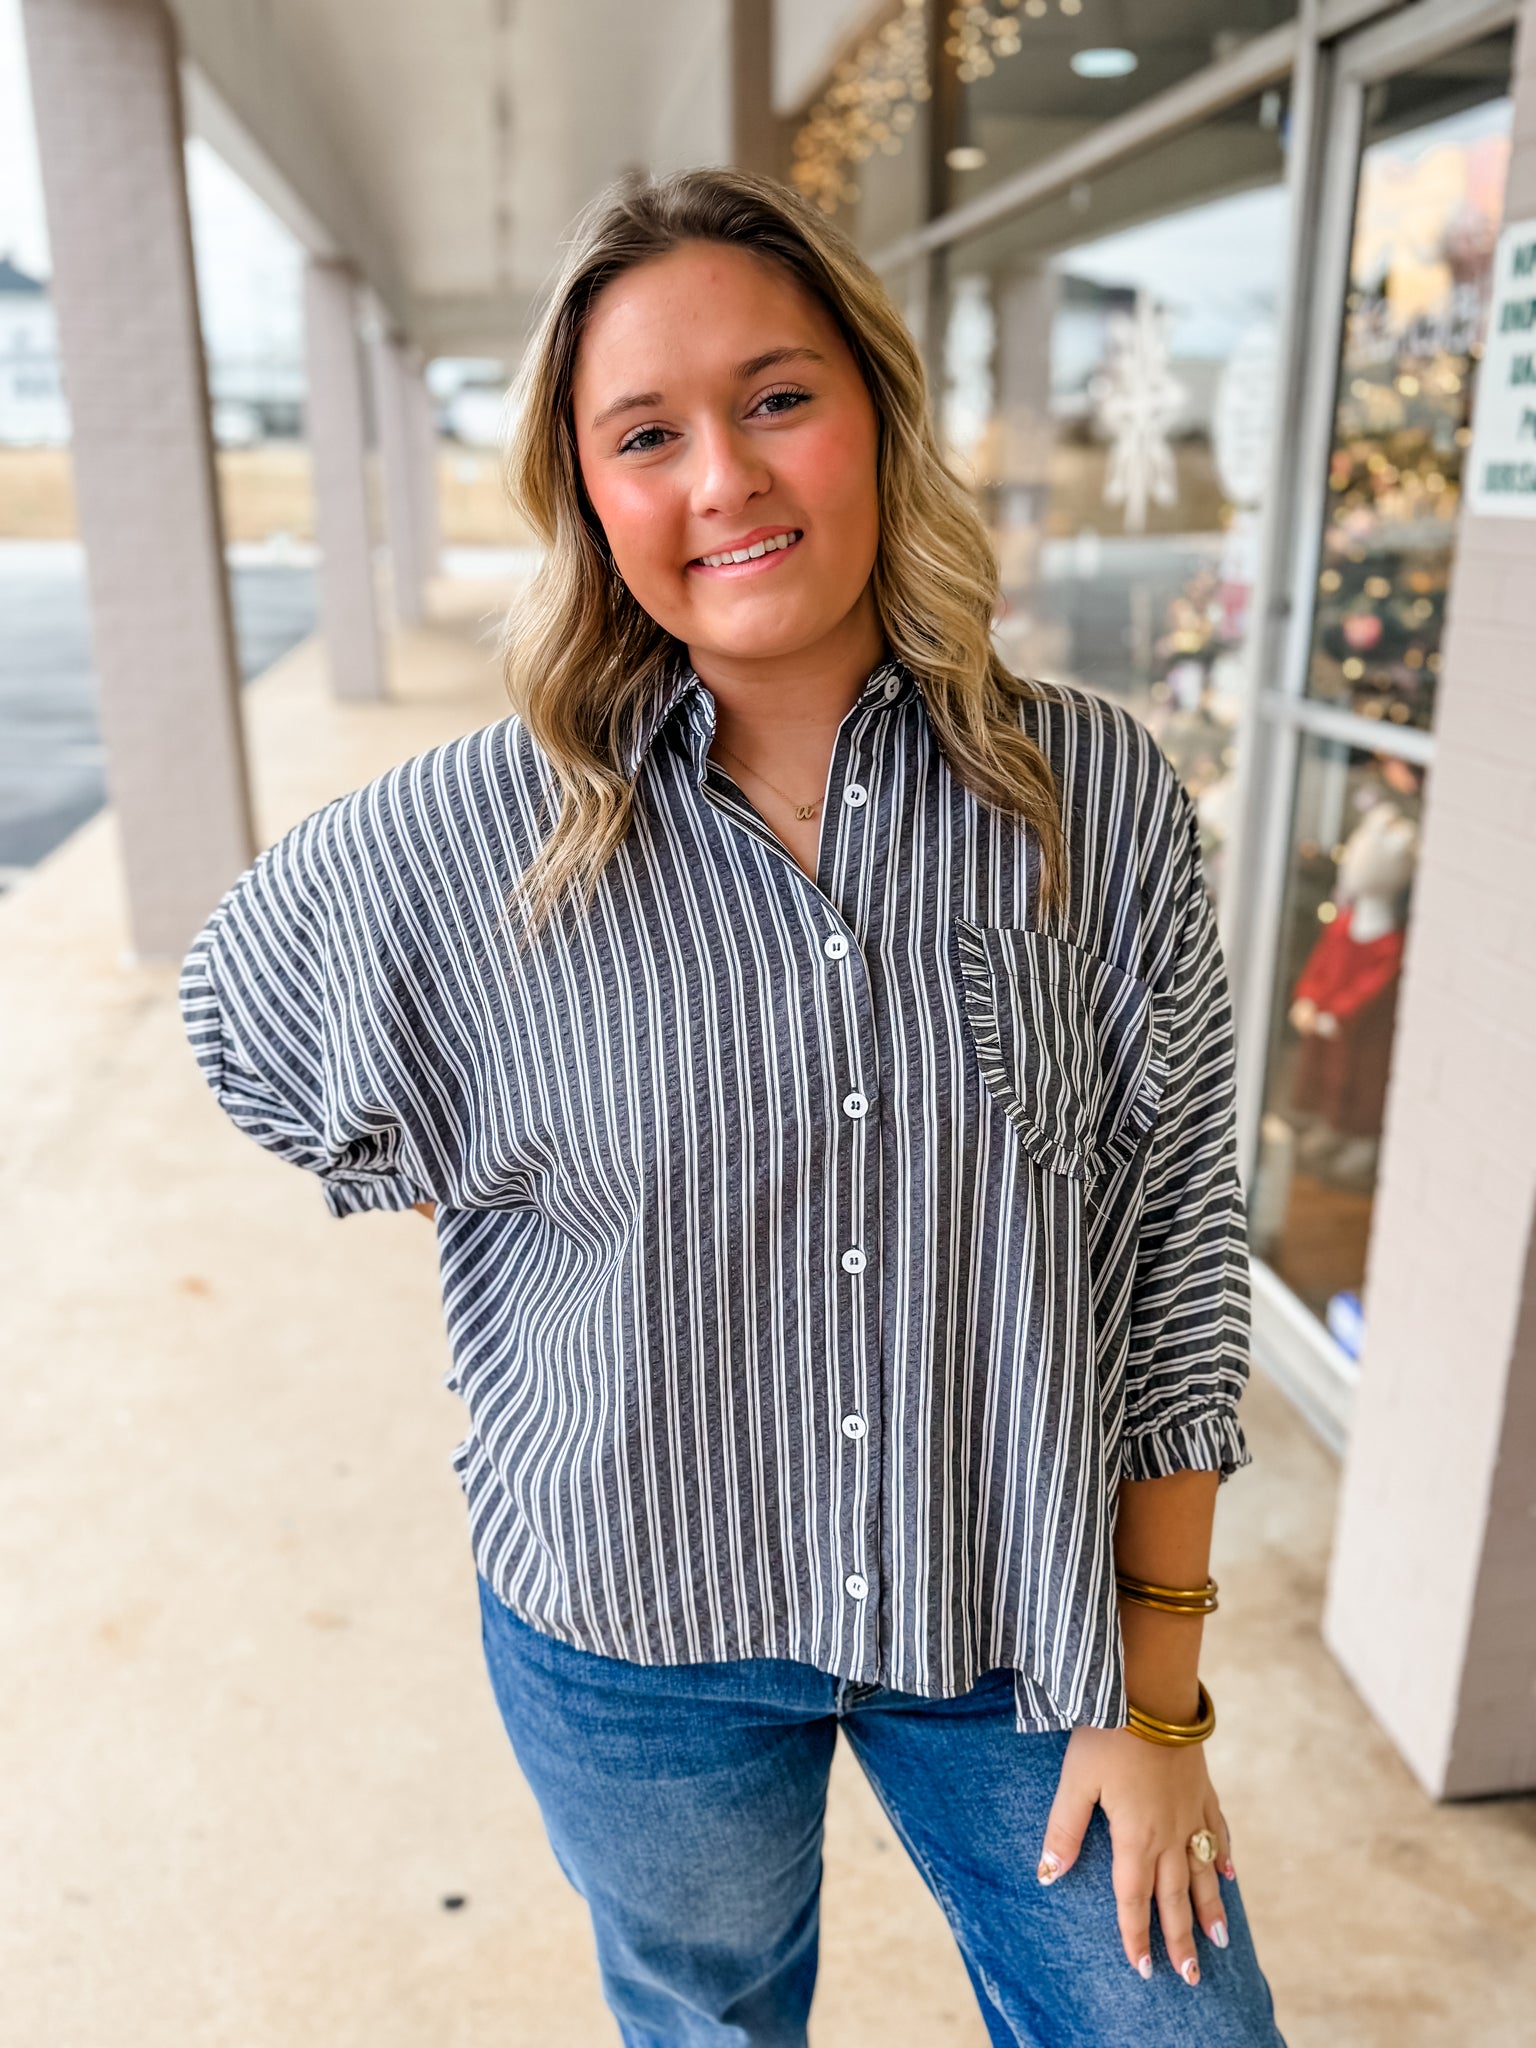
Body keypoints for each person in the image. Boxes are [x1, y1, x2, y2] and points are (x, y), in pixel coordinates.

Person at [180, 166, 1285, 2048]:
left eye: (777, 397)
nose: (724, 480)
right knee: (708, 2023)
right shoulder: (477, 838)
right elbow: (240, 1013)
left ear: (873, 410)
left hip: (1008, 1608)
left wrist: (1159, 1693)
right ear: (591, 497)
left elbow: (1171, 1249)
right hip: (634, 1630)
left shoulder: (1082, 792)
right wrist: (482, 1143)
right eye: (646, 435)